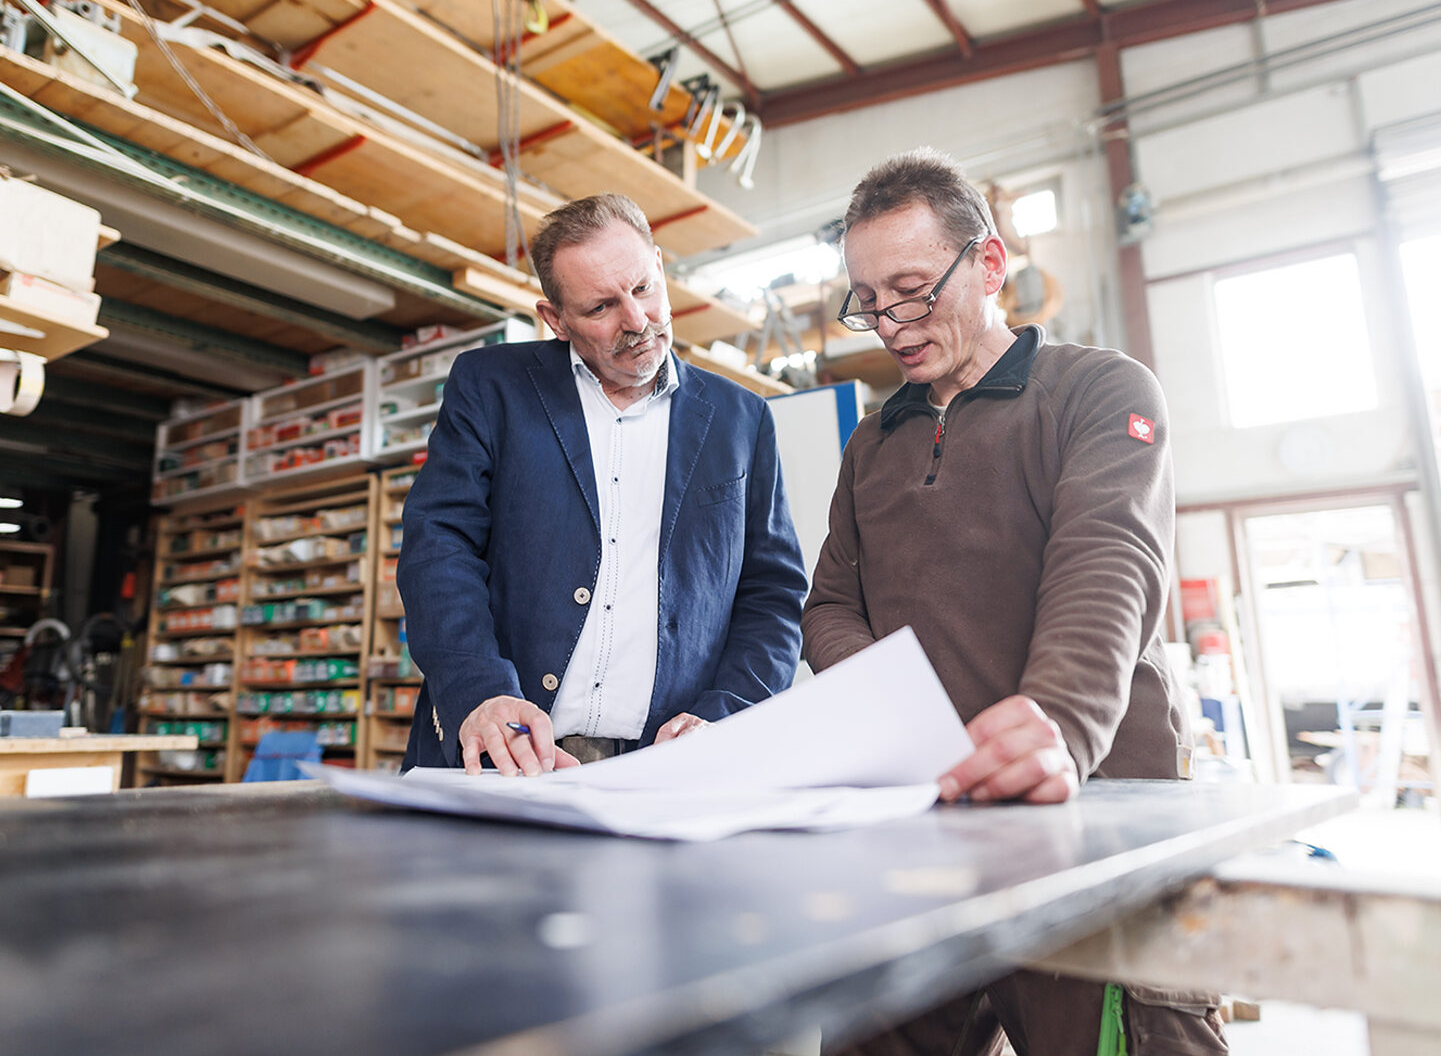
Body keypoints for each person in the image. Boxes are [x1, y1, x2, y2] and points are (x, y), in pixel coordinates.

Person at [802, 149, 1224, 1054]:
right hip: (928, 833)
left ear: (989, 266)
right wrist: (905, 717)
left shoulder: (1098, 392)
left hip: (1093, 825)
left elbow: (1108, 557)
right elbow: (828, 606)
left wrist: (1059, 723)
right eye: (869, 300)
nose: (890, 323)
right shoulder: (871, 447)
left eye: (913, 289)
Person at [397, 192, 808, 777]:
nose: (636, 321)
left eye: (643, 288)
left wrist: (729, 712)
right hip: (505, 760)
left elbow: (772, 592)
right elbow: (438, 546)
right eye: (600, 308)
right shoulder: (491, 388)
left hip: (666, 771)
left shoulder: (742, 419)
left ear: (660, 267)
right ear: (555, 319)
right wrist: (479, 691)